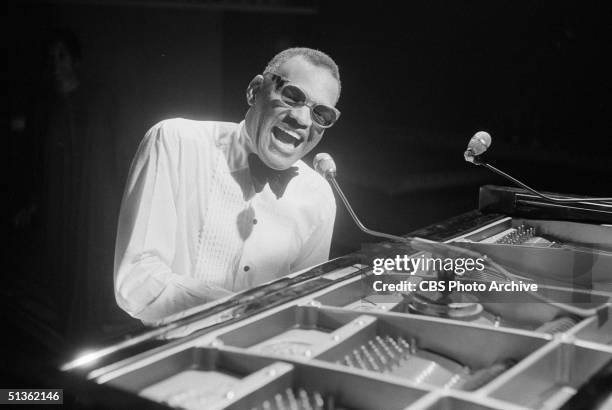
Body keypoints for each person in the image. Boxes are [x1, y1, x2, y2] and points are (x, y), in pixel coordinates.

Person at [114, 47, 342, 323]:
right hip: (168, 353)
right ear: (255, 90)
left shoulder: (319, 196)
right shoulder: (176, 142)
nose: (302, 119)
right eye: (292, 96)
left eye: (321, 114)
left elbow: (304, 300)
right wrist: (239, 311)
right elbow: (137, 280)